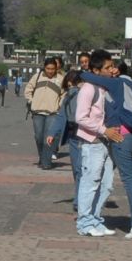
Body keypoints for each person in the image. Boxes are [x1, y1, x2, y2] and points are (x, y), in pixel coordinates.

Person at [81, 57, 132, 239]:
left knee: (128, 180)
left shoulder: (115, 84)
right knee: (130, 179)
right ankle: (99, 217)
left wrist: (83, 71)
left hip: (120, 137)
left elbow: (86, 75)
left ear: (117, 70)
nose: (110, 70)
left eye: (112, 67)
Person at [74, 50, 125, 237]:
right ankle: (85, 223)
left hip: (107, 142)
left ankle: (96, 218)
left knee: (107, 184)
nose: (112, 69)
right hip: (93, 141)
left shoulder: (107, 87)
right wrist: (104, 130)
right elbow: (80, 117)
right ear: (96, 70)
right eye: (108, 67)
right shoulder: (88, 89)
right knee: (90, 182)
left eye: (112, 66)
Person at [47, 70, 83, 212]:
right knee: (76, 169)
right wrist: (52, 133)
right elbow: (62, 115)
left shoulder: (86, 93)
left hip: (86, 134)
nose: (71, 88)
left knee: (81, 168)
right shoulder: (68, 96)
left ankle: (80, 200)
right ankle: (79, 197)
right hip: (73, 134)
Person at [24, 57, 64, 170]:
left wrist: (59, 105)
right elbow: (28, 90)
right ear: (44, 67)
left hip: (52, 113)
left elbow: (64, 94)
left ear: (56, 68)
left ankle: (46, 162)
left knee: (48, 138)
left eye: (52, 69)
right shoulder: (37, 77)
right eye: (48, 68)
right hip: (37, 112)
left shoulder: (61, 79)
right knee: (38, 137)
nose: (50, 71)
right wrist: (31, 101)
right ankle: (42, 157)